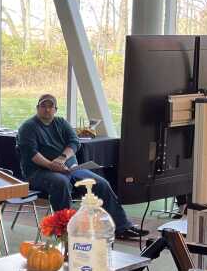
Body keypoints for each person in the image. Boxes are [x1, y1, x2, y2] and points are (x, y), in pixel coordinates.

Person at [17, 94, 145, 240]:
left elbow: (74, 142)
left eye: (50, 106)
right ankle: (65, 231)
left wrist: (63, 158)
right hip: (39, 171)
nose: (47, 109)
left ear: (55, 109)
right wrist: (51, 165)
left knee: (101, 183)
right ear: (37, 108)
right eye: (43, 106)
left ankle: (121, 227)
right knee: (61, 183)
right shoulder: (28, 127)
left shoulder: (61, 123)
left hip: (69, 169)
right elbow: (31, 153)